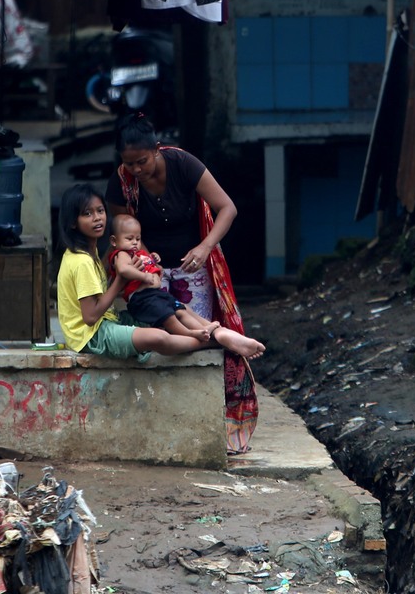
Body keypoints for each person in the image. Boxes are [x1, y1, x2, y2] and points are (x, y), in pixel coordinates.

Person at [104, 113, 259, 454]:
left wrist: (205, 248)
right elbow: (122, 234)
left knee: (198, 342)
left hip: (194, 269)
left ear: (157, 150)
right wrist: (147, 265)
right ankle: (171, 422)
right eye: (129, 164)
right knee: (166, 343)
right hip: (150, 276)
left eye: (142, 161)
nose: (137, 171)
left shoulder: (183, 163)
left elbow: (227, 208)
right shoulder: (121, 181)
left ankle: (214, 422)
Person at [56, 183, 208, 361]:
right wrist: (121, 279)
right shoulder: (81, 261)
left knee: (165, 313)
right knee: (158, 337)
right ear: (73, 222)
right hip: (90, 336)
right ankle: (211, 342)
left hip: (106, 321)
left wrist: (136, 277)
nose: (97, 218)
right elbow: (90, 317)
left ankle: (212, 332)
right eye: (87, 214)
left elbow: (101, 297)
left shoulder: (90, 253)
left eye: (100, 211)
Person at [106, 213, 264, 357]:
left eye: (138, 239)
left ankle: (207, 330)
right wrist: (145, 276)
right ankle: (193, 334)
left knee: (180, 309)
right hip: (142, 299)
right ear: (114, 241)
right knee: (169, 318)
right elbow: (124, 269)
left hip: (156, 295)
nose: (134, 243)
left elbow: (148, 264)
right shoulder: (120, 254)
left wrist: (152, 259)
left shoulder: (137, 253)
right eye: (129, 239)